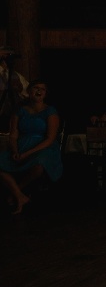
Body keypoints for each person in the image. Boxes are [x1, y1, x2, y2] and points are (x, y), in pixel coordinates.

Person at [0, 79, 63, 214]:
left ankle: (17, 191)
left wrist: (27, 154)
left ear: (45, 93)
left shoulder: (50, 111)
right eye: (35, 88)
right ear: (29, 91)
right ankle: (19, 195)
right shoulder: (20, 111)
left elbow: (50, 138)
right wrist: (15, 150)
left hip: (43, 146)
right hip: (22, 145)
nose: (39, 91)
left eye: (42, 89)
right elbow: (13, 134)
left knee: (39, 164)